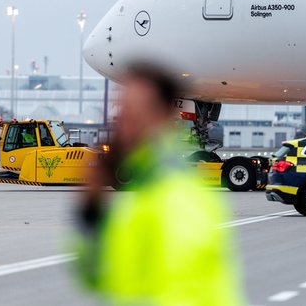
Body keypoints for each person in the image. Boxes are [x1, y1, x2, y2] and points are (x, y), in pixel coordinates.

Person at [75, 63, 243, 306]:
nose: (123, 121)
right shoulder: (144, 186)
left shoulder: (176, 195)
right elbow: (98, 276)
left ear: (164, 115)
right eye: (122, 110)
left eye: (135, 111)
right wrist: (90, 210)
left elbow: (182, 290)